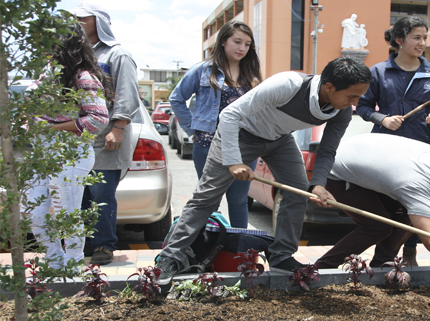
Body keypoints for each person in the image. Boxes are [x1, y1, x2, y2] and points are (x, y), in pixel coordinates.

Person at [155, 57, 373, 285]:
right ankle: (170, 258)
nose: (354, 103)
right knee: (206, 197)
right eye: (351, 96)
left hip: (278, 139)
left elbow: (327, 150)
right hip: (240, 133)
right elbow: (229, 115)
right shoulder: (288, 84)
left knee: (298, 191)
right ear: (329, 87)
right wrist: (233, 161)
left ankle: (281, 256)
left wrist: (318, 184)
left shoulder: (342, 111)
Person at [314, 134, 430, 290]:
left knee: (404, 215)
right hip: (337, 169)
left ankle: (382, 267)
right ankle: (321, 269)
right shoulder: (417, 183)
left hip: (357, 155)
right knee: (378, 227)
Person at [356, 15, 430, 266]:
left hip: (422, 147)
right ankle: (384, 255)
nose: (422, 43)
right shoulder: (378, 71)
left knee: (417, 202)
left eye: (425, 38)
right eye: (417, 38)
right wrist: (383, 120)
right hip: (388, 149)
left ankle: (410, 252)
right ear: (400, 40)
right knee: (388, 203)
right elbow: (364, 107)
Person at [23, 22, 111, 269]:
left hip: (70, 155)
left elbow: (98, 118)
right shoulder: (49, 71)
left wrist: (51, 128)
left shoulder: (82, 76)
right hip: (42, 155)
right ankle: (55, 262)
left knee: (67, 216)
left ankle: (71, 268)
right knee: (35, 215)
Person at [170, 21, 261, 229]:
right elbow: (176, 98)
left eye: (247, 44)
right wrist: (192, 129)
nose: (242, 48)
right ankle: (210, 251)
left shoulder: (252, 75)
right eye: (237, 42)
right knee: (210, 202)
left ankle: (239, 253)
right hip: (208, 145)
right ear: (223, 42)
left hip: (244, 147)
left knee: (239, 202)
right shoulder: (203, 70)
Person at [71, 1, 141, 265]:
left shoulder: (117, 55)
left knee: (101, 194)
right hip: (78, 137)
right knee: (79, 195)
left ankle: (103, 245)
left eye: (83, 19)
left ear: (99, 23)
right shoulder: (73, 55)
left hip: (106, 138)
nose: (78, 24)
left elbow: (128, 95)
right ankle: (84, 244)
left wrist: (118, 128)